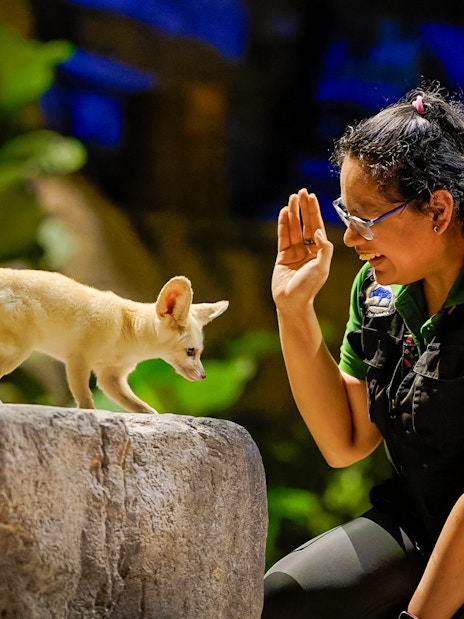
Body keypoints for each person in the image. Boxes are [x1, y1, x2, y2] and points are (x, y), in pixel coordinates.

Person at [263, 84, 464, 619]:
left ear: (438, 211)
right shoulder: (379, 292)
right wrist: (293, 309)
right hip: (420, 522)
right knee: (281, 599)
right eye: (345, 214)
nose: (349, 239)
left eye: (366, 218)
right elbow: (345, 441)